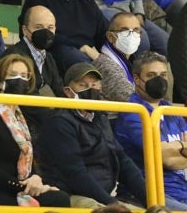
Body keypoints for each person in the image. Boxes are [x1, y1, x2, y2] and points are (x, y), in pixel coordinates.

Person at [114, 52, 187, 213]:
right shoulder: (133, 112)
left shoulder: (169, 110)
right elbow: (163, 157)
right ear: (137, 79)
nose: (159, 80)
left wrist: (177, 148)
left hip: (183, 196)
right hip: (147, 198)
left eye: (163, 75)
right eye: (151, 75)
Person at [37, 62, 147, 209]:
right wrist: (113, 205)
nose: (91, 89)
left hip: (103, 196)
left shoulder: (100, 117)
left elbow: (122, 160)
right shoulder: (60, 122)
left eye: (94, 85)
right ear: (69, 92)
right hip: (72, 195)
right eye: (83, 85)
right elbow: (76, 175)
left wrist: (149, 198)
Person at [0, 54, 69, 207]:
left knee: (59, 198)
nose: (20, 80)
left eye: (24, 76)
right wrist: (21, 185)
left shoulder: (20, 116)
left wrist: (36, 179)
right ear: (0, 80)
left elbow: (28, 157)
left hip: (19, 187)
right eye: (13, 75)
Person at [6, 4, 65, 98]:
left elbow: (59, 90)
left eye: (50, 28)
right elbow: (25, 98)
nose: (46, 33)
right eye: (38, 27)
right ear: (25, 30)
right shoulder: (14, 56)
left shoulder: (48, 58)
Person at [94, 12, 143, 102]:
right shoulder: (104, 64)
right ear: (110, 37)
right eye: (124, 30)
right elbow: (129, 96)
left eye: (136, 30)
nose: (131, 35)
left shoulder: (135, 62)